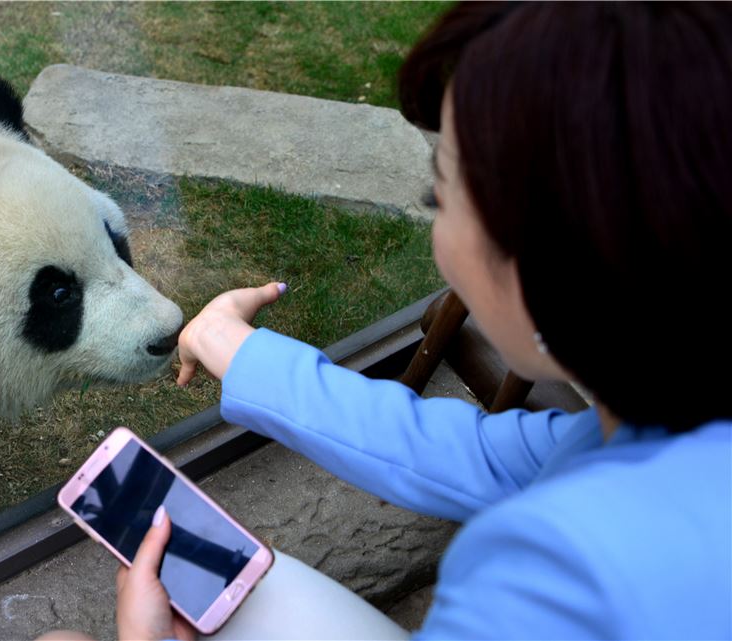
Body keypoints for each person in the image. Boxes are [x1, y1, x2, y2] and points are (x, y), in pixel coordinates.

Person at [49, 3, 732, 639]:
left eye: (440, 193)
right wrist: (243, 354)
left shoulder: (548, 579)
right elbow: (484, 456)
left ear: (551, 263)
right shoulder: (662, 426)